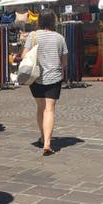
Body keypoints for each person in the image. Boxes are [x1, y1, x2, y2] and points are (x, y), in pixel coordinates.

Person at [23, 10, 67, 156]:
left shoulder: (33, 35)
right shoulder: (60, 38)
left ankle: (42, 136)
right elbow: (64, 62)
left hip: (35, 78)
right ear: (53, 21)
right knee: (49, 109)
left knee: (40, 107)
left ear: (39, 21)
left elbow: (24, 55)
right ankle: (47, 143)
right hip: (53, 77)